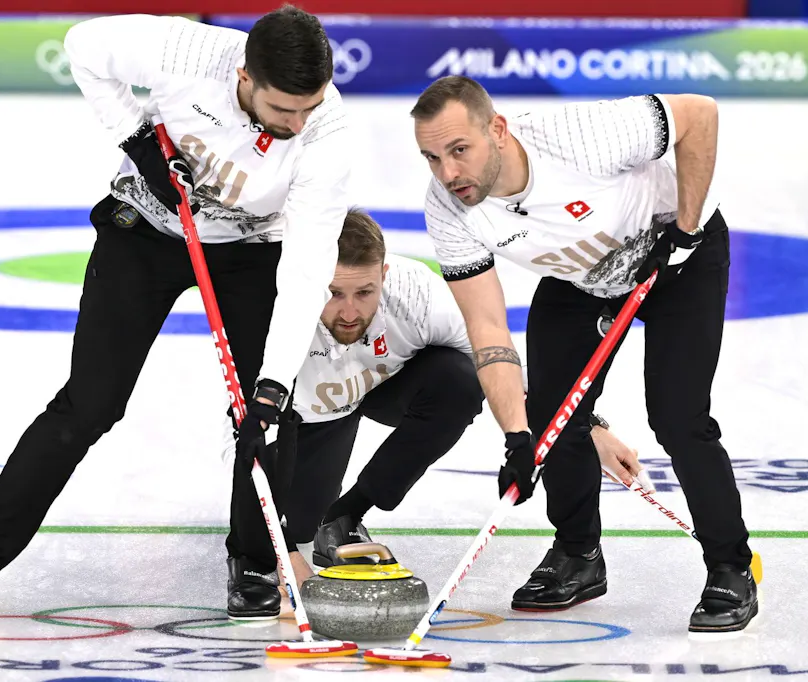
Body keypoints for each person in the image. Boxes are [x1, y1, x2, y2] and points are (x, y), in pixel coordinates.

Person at [0, 8, 350, 621]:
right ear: (245, 77)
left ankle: (252, 561)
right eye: (284, 112)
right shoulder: (185, 51)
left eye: (310, 107)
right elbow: (81, 43)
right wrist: (138, 142)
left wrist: (273, 385)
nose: (300, 124)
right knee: (90, 402)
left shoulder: (328, 134)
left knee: (268, 414)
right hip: (142, 229)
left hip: (251, 251)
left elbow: (307, 265)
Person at [410, 75, 757, 634]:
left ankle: (729, 567)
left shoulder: (578, 137)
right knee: (553, 415)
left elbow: (699, 113)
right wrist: (517, 437)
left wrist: (687, 232)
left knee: (678, 416)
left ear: (496, 131)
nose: (449, 174)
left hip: (678, 255)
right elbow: (487, 326)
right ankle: (578, 555)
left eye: (459, 151)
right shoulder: (449, 210)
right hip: (582, 278)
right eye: (432, 157)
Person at [267, 210, 651, 596]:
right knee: (295, 527)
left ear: (383, 276)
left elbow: (495, 362)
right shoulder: (278, 309)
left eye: (364, 292)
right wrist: (281, 548)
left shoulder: (416, 293)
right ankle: (307, 524)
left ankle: (347, 513)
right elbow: (242, 436)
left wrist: (584, 424)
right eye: (335, 293)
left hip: (382, 388)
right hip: (307, 416)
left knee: (460, 379)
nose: (350, 312)